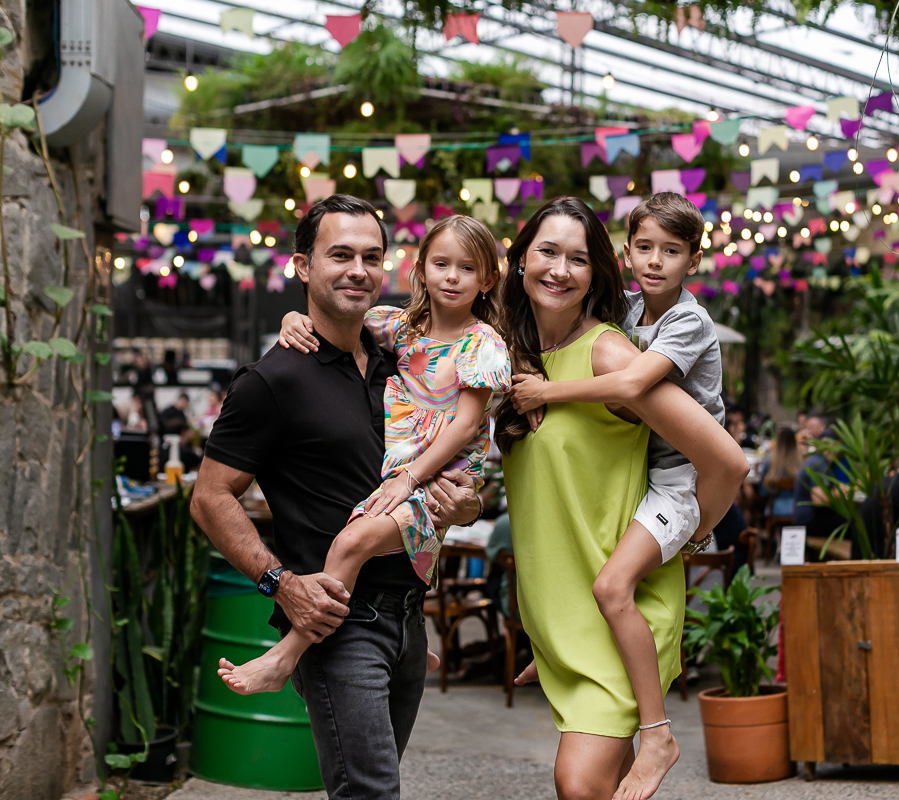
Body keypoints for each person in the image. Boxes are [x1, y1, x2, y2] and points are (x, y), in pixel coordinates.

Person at [190, 195, 483, 800]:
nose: (358, 270)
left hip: (410, 618)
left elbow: (449, 470)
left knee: (373, 788)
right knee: (371, 792)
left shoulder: (401, 358)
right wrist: (279, 583)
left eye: (371, 257)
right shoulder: (272, 380)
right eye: (340, 255)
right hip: (338, 624)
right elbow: (210, 498)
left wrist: (467, 506)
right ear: (303, 266)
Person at [494, 197, 747, 800]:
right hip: (567, 620)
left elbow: (727, 462)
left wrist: (692, 536)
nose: (560, 269)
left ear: (597, 271)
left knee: (579, 785)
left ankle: (660, 735)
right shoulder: (511, 352)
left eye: (579, 258)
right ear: (521, 259)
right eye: (547, 251)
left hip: (620, 603)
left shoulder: (611, 351)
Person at [220, 214, 511, 695]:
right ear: (421, 269)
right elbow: (333, 320)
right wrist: (291, 319)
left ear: (487, 279)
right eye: (441, 264)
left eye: (468, 268)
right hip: (402, 472)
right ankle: (409, 638)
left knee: (351, 544)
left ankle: (285, 656)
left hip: (436, 474)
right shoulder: (402, 328)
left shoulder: (483, 344)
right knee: (369, 546)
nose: (452, 277)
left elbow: (464, 425)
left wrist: (409, 479)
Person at [759, 426, 803, 519]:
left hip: (776, 506)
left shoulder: (770, 460)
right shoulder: (801, 460)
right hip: (798, 506)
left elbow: (763, 491)